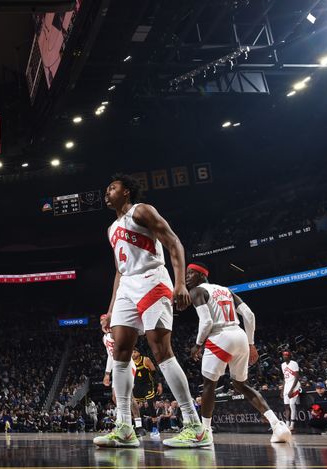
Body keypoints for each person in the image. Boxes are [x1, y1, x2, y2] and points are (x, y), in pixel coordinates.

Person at [96, 174, 207, 448]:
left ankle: (195, 426)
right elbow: (119, 271)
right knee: (120, 353)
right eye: (107, 188)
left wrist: (180, 282)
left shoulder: (142, 210)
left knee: (160, 350)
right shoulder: (111, 229)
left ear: (127, 192)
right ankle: (124, 427)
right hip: (127, 287)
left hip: (152, 281)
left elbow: (173, 242)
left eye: (113, 187)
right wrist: (110, 310)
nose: (107, 192)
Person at [185, 262, 291, 443]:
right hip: (240, 335)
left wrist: (197, 344)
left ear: (202, 275)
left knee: (209, 385)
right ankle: (277, 425)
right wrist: (250, 343)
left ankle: (206, 431)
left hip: (219, 336)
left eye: (191, 273)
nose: (187, 277)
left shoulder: (197, 291)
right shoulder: (226, 290)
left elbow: (207, 322)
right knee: (242, 385)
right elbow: (249, 315)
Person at [281, 351, 301, 431]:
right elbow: (284, 378)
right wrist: (282, 390)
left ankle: (292, 425)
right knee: (286, 405)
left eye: (287, 355)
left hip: (294, 385)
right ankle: (287, 424)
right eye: (284, 355)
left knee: (292, 405)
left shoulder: (294, 363)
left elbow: (297, 377)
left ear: (290, 356)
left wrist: (291, 390)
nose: (285, 357)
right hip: (287, 385)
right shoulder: (282, 365)